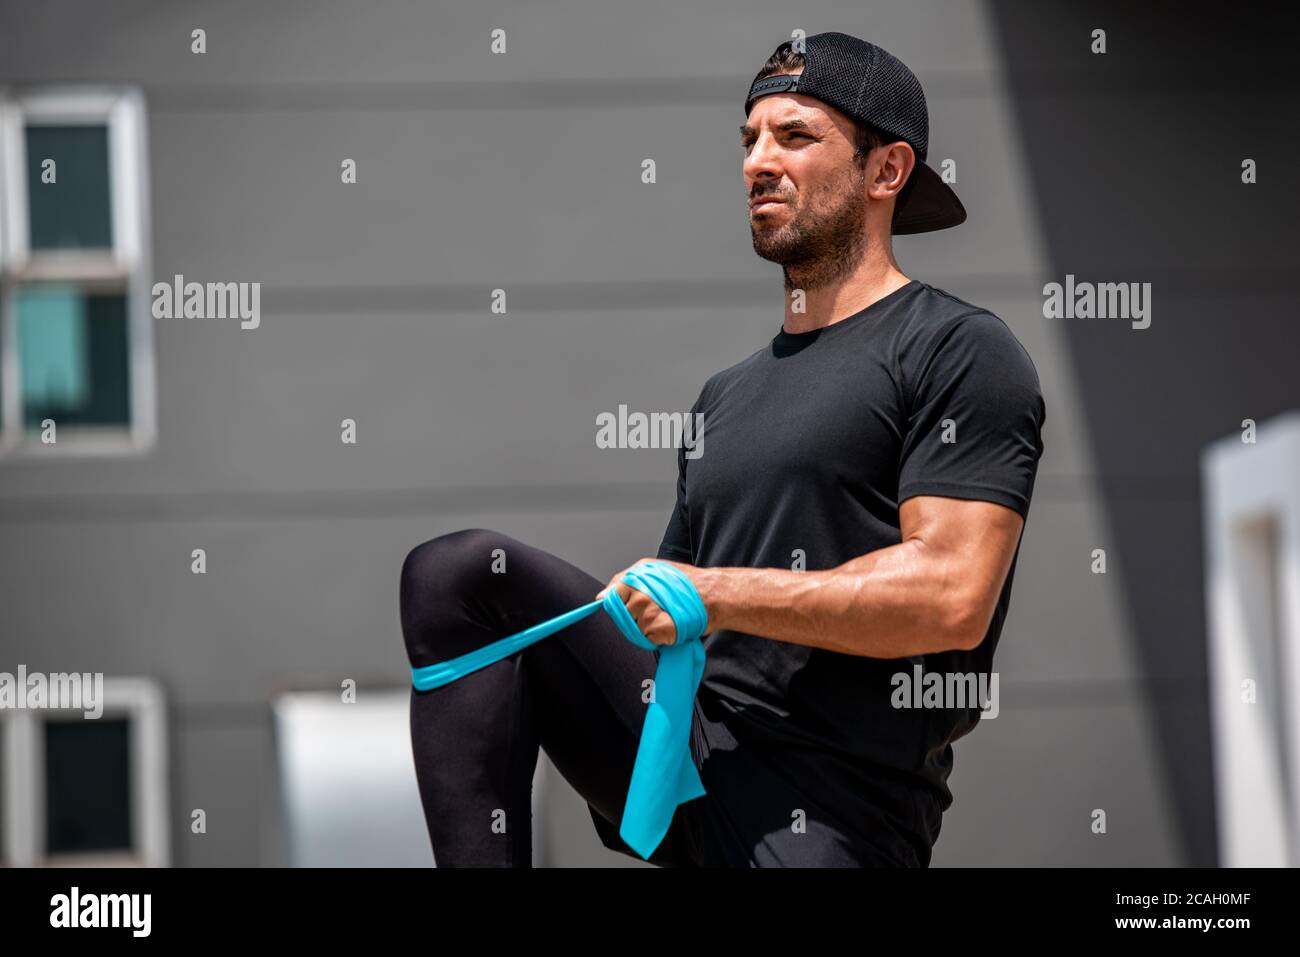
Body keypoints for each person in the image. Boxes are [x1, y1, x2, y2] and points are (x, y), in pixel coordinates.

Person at [399, 31, 1045, 867]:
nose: (758, 162)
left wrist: (719, 591)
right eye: (750, 139)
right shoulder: (726, 396)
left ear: (887, 171)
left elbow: (952, 593)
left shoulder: (956, 348)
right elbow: (679, 622)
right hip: (697, 761)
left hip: (832, 812)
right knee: (457, 576)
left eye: (796, 137)